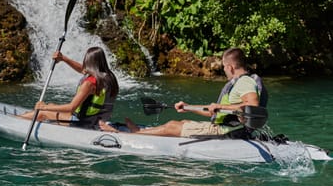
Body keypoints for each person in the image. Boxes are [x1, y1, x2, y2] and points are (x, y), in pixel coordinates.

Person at [100, 47, 267, 137]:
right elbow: (215, 113)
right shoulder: (238, 83)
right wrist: (188, 107)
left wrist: (221, 106)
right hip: (223, 127)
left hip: (226, 131)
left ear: (230, 67)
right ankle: (140, 131)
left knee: (173, 126)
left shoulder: (245, 82)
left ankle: (133, 134)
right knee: (177, 121)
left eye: (224, 67)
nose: (224, 70)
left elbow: (253, 106)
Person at [20, 46, 119, 128]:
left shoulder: (89, 84)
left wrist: (43, 107)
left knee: (42, 113)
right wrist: (63, 58)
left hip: (84, 123)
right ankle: (22, 118)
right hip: (97, 120)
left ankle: (15, 121)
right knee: (51, 105)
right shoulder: (109, 77)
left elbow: (71, 108)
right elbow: (83, 70)